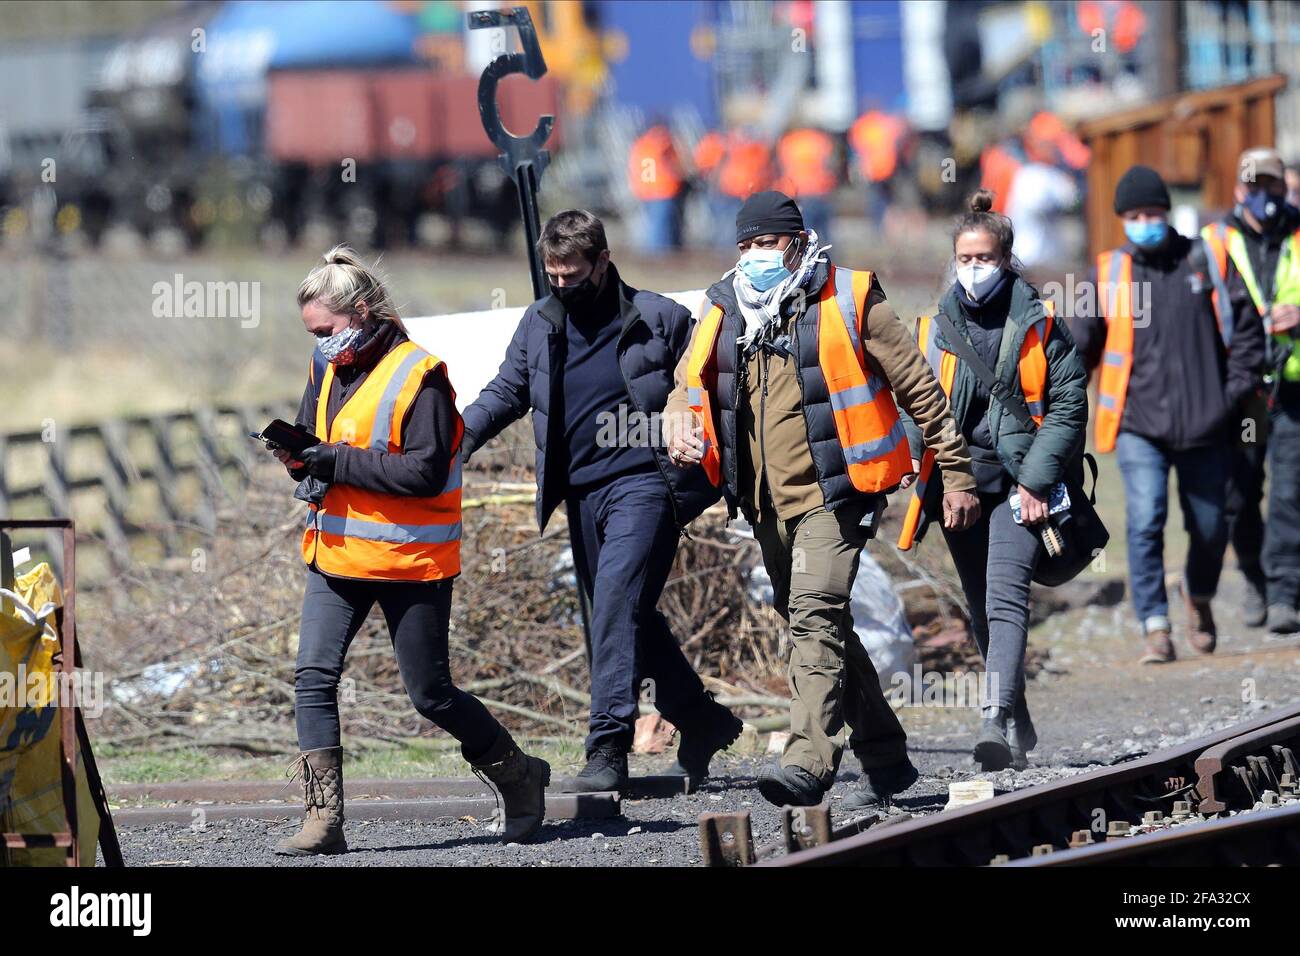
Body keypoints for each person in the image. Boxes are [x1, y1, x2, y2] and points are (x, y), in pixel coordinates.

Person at [663, 190, 978, 809]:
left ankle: (807, 758)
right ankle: (886, 757)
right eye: (746, 244)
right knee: (820, 623)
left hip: (837, 497)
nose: (755, 255)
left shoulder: (852, 296)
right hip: (764, 506)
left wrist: (958, 473)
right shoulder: (723, 306)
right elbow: (685, 382)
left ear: (799, 241)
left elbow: (918, 386)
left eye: (768, 242)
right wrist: (677, 419)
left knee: (813, 614)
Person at [269, 246, 549, 855]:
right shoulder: (325, 367)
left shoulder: (422, 377)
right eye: (312, 335)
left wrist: (334, 460)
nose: (320, 344)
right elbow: (318, 441)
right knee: (312, 677)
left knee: (431, 695)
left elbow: (425, 472)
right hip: (336, 553)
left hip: (410, 563)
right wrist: (301, 459)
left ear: (361, 312)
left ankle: (519, 774)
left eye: (326, 331)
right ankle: (324, 819)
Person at [460, 210, 739, 794]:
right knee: (625, 612)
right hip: (581, 492)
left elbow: (710, 387)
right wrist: (456, 441)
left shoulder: (660, 318)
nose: (563, 285)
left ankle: (608, 745)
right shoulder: (539, 324)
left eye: (573, 274)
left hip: (647, 484)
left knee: (613, 602)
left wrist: (712, 458)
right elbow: (507, 390)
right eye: (553, 275)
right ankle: (701, 718)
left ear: (603, 261)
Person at [896, 190, 1088, 769]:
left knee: (1006, 597)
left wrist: (1035, 484)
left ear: (1006, 259)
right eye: (965, 259)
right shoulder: (932, 328)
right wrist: (905, 475)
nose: (974, 268)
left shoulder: (1041, 324)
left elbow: (1067, 407)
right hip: (958, 486)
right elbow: (915, 408)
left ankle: (994, 718)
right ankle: (1016, 715)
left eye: (984, 258)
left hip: (1020, 484)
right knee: (979, 606)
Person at [1073, 166, 1264, 663]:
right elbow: (1079, 347)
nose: (1144, 223)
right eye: (1134, 216)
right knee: (1145, 519)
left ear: (1166, 212)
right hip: (1138, 426)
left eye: (1151, 213)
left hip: (1209, 425)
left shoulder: (1206, 260)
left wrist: (1229, 397)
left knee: (1211, 527)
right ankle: (1154, 624)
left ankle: (1197, 593)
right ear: (1122, 220)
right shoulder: (1108, 273)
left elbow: (1248, 334)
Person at [1200, 146, 1300, 630]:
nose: (1263, 195)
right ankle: (1255, 579)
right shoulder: (1213, 242)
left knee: (1289, 492)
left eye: (1271, 185)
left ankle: (1284, 592)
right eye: (1253, 186)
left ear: (1286, 186)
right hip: (1245, 395)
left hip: (1292, 391)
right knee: (1239, 493)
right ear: (1239, 190)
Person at [627, 122, 685, 253]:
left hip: (646, 191)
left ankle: (656, 253)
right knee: (661, 227)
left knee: (655, 225)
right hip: (662, 190)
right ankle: (661, 255)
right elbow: (675, 165)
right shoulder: (662, 143)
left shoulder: (640, 144)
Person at [775, 126, 838, 241]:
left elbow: (781, 166)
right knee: (824, 233)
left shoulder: (788, 142)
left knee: (804, 232)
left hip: (798, 191)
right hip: (820, 190)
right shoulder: (820, 140)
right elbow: (830, 164)